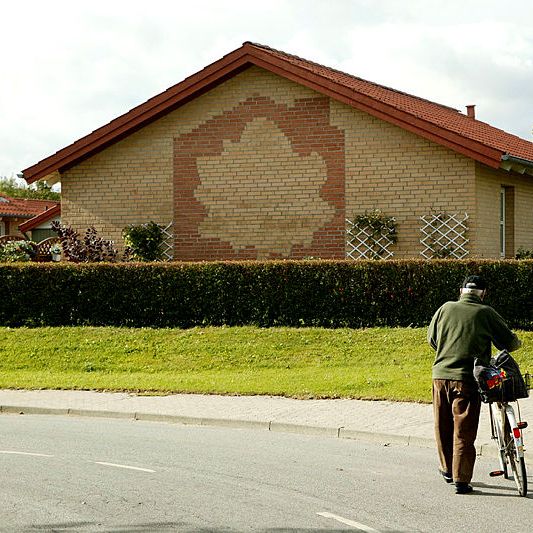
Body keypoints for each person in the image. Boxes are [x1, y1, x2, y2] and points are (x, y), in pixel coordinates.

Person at [427, 275, 521, 494]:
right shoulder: (485, 312)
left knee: (442, 425)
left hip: (440, 376)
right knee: (464, 430)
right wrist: (517, 341)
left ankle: (447, 469)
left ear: (461, 291)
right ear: (483, 293)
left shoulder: (445, 308)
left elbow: (432, 339)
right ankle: (461, 479)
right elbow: (509, 343)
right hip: (468, 379)